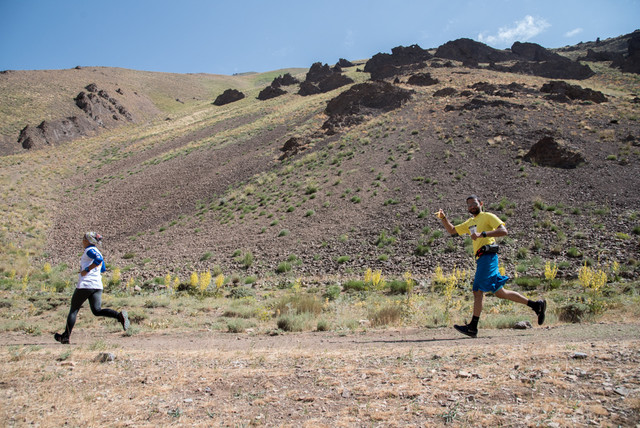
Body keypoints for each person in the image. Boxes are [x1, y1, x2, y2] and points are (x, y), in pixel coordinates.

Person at [435, 195, 546, 338]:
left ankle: (472, 327)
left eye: (474, 204)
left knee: (477, 290)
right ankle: (536, 305)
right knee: (501, 293)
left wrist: (483, 234)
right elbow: (452, 230)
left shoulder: (488, 216)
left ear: (481, 203)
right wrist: (443, 218)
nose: (471, 207)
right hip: (482, 259)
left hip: (488, 256)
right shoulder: (470, 222)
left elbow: (503, 231)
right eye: (469, 205)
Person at [54, 232, 129, 344]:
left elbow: (98, 259)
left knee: (74, 310)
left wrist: (86, 270)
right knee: (97, 310)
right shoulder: (96, 250)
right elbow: (102, 268)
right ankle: (118, 316)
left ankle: (65, 337)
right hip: (97, 285)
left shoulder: (90, 250)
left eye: (83, 239)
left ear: (87, 241)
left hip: (85, 285)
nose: (82, 241)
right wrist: (90, 269)